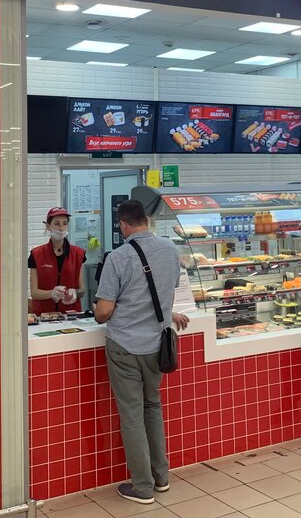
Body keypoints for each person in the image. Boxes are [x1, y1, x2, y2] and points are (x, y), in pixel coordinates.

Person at [94, 199, 189, 504]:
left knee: (132, 415)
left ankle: (143, 487)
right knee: (153, 408)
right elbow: (166, 295)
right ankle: (161, 478)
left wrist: (99, 309)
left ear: (123, 225)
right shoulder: (170, 249)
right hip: (156, 345)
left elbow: (103, 312)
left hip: (125, 346)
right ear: (146, 220)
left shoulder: (118, 257)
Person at [28, 207, 86, 315]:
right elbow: (34, 293)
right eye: (57, 224)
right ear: (48, 226)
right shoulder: (36, 254)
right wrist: (52, 293)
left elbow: (82, 290)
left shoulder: (78, 254)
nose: (61, 228)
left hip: (71, 315)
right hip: (44, 316)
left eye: (64, 223)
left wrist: (75, 292)